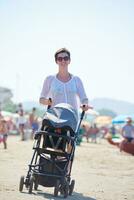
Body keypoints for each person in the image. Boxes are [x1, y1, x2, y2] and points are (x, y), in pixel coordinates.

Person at [39, 48, 92, 114]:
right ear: (56, 61)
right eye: (60, 59)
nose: (63, 61)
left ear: (69, 61)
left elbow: (84, 98)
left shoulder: (76, 80)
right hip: (55, 118)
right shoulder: (49, 79)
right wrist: (47, 101)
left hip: (72, 119)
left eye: (66, 58)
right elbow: (41, 99)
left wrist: (85, 104)